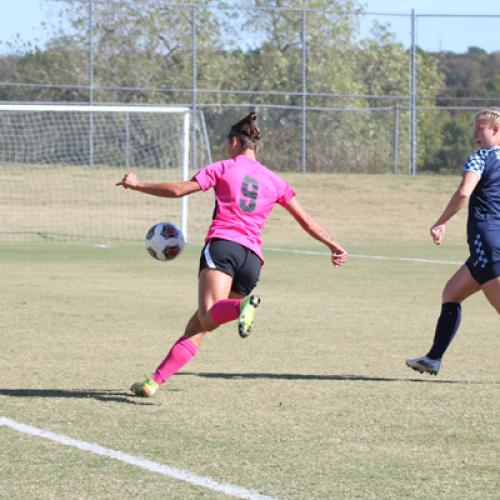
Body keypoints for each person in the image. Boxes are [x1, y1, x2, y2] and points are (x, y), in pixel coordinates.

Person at [117, 112, 348, 397]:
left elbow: (179, 190)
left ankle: (242, 307)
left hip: (223, 247)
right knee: (200, 326)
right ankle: (153, 382)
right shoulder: (275, 181)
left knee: (207, 314)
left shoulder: (224, 167)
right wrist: (333, 245)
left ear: (236, 142)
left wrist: (137, 184)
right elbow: (306, 221)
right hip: (252, 262)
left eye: (229, 143)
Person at [406, 109, 500, 376]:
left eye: (480, 129)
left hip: (487, 241)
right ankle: (433, 358)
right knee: (452, 293)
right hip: (492, 243)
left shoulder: (481, 158)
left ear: (495, 130)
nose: (475, 136)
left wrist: (440, 221)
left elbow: (463, 193)